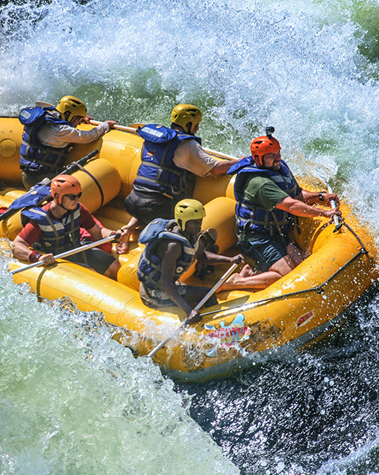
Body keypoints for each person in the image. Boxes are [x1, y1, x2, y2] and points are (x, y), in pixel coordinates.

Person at [220, 129, 341, 291]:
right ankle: (235, 281)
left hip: (277, 232)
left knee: (301, 264)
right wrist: (325, 213)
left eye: (278, 153)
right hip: (256, 238)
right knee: (289, 274)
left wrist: (320, 196)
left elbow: (297, 195)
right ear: (257, 158)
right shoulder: (259, 183)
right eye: (271, 156)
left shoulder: (279, 167)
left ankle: (253, 272)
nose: (277, 158)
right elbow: (291, 206)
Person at [118, 104, 243, 253]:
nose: (197, 129)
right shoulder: (188, 144)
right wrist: (240, 161)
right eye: (196, 125)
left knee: (150, 199)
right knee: (185, 230)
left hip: (132, 201)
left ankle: (128, 228)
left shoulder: (153, 138)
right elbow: (216, 169)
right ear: (188, 124)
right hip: (156, 208)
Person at [137, 199, 242, 323]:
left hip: (167, 285)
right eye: (194, 222)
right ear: (182, 222)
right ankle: (217, 327)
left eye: (200, 221)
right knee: (207, 294)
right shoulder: (173, 246)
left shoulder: (191, 235)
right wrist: (188, 311)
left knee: (204, 294)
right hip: (153, 293)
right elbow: (166, 282)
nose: (199, 225)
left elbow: (204, 257)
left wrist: (230, 259)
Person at [12, 175, 126, 280]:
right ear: (57, 196)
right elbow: (17, 245)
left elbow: (98, 232)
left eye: (78, 195)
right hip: (53, 260)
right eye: (72, 197)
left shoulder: (79, 209)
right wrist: (37, 257)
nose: (77, 200)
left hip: (75, 249)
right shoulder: (39, 221)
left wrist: (113, 235)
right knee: (91, 275)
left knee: (114, 267)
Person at [19, 96, 116, 188]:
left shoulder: (46, 115)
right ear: (69, 115)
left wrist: (79, 118)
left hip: (29, 175)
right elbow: (88, 136)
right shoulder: (59, 131)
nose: (79, 122)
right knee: (79, 183)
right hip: (40, 180)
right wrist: (105, 125)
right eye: (78, 119)